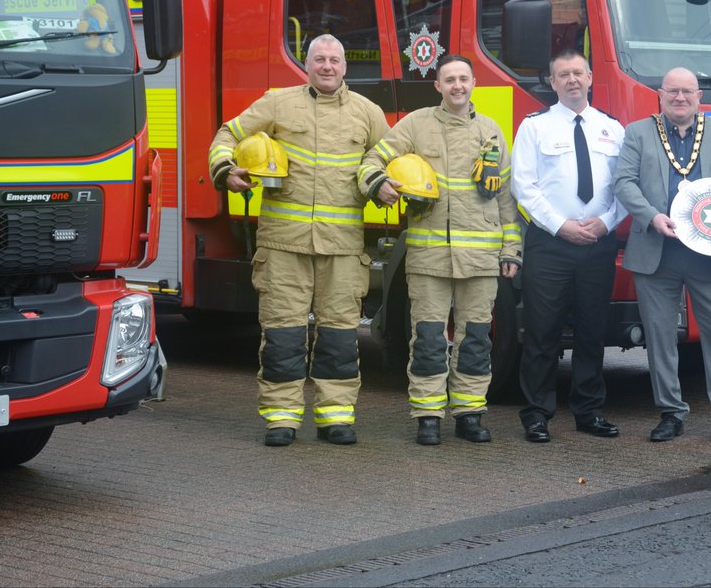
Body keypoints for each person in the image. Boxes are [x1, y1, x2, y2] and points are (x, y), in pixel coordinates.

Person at [207, 34, 390, 447]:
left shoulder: (368, 113)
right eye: (319, 59)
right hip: (283, 245)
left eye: (335, 60)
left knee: (340, 336)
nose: (327, 66)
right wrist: (225, 170)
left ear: (346, 67)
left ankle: (336, 418)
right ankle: (281, 419)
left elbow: (390, 156)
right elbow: (226, 135)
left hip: (343, 248)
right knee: (284, 334)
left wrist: (384, 184)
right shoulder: (277, 102)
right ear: (306, 65)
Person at [359, 54, 522, 446]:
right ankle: (428, 415)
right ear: (437, 86)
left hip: (481, 260)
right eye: (449, 79)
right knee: (429, 338)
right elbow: (372, 159)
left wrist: (511, 249)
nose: (457, 86)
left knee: (476, 339)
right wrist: (377, 183)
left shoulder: (491, 132)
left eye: (463, 78)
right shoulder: (416, 125)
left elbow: (505, 199)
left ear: (473, 82)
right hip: (429, 258)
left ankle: (469, 413)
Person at [612, 67, 711, 445]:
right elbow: (623, 182)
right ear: (660, 94)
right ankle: (671, 412)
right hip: (658, 250)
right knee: (659, 337)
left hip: (709, 253)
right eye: (672, 91)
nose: (680, 98)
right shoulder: (638, 132)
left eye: (687, 91)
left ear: (699, 96)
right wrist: (651, 216)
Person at [510, 50, 627, 443]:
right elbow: (522, 186)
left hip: (598, 242)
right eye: (564, 74)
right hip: (550, 244)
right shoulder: (534, 126)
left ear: (591, 77)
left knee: (593, 332)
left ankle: (589, 411)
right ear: (552, 82)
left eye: (578, 72)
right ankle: (537, 414)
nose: (572, 79)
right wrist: (561, 227)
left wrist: (605, 222)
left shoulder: (612, 128)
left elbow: (626, 186)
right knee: (543, 332)